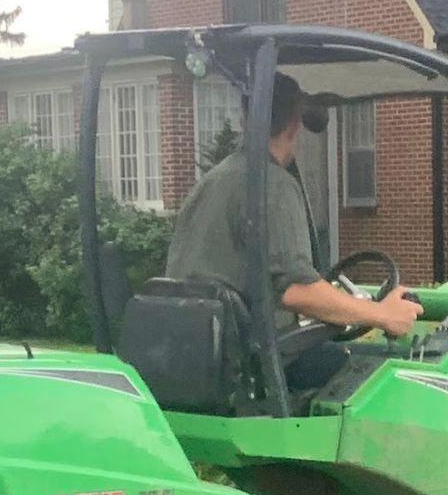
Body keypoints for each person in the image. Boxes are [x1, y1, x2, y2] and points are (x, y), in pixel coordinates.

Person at [165, 72, 422, 390]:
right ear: (293, 123)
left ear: (247, 118)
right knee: (397, 373)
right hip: (257, 370)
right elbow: (296, 291)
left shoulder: (212, 182)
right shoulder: (272, 185)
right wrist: (382, 314)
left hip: (201, 359)